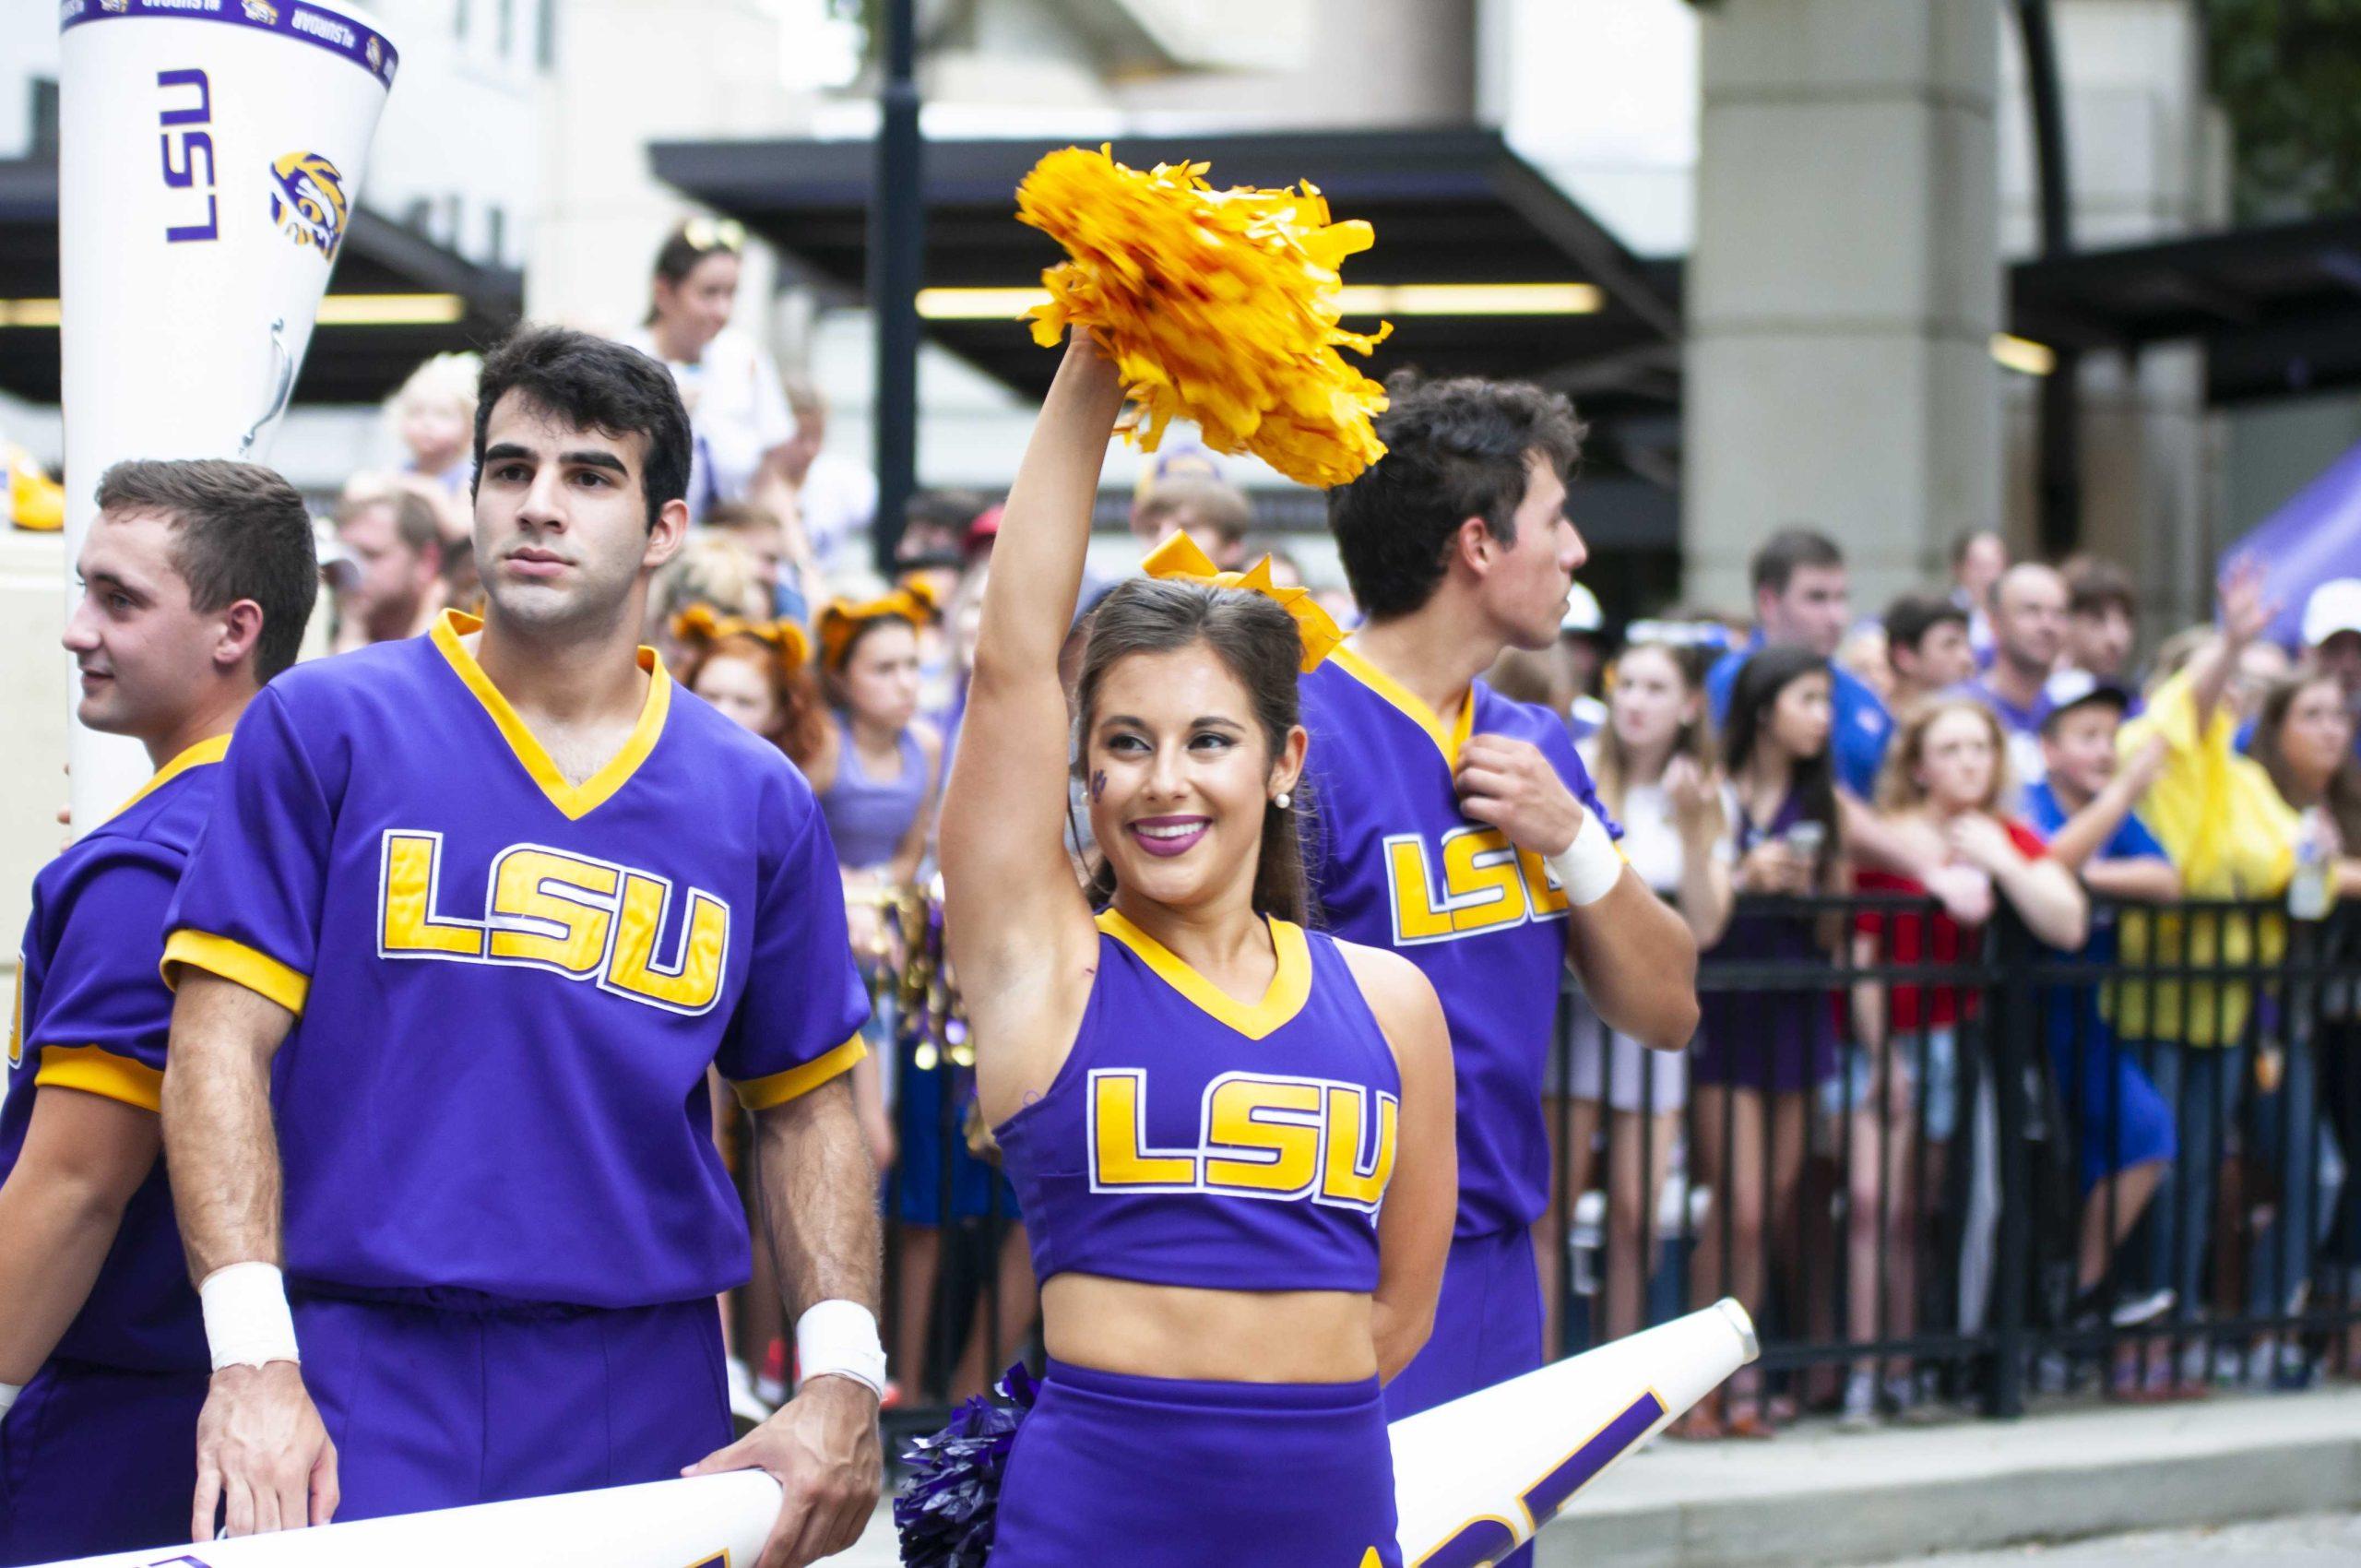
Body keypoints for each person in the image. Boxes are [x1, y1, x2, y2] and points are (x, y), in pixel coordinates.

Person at [157, 327, 883, 1561]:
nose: (539, 506)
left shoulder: (754, 796)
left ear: (664, 527)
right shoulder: (326, 724)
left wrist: (844, 1378)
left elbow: (809, 1106)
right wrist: (252, 1361)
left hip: (643, 1377)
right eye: (510, 469)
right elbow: (215, 1043)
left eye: (590, 476)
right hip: (355, 1368)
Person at [939, 334, 1455, 1564]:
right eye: (1125, 742)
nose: (1163, 783)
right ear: (1085, 767)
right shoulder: (1047, 972)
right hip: (1097, 1518)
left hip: (1331, 1514)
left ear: (1283, 763)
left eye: (1209, 741)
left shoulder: (1393, 1004)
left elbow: (1402, 1311)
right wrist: (1098, 359)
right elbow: (1013, 670)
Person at [1310, 369, 1699, 1518]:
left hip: (1495, 1260)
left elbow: (1668, 1008)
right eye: (1558, 516)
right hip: (1331, 1265)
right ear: (1477, 544)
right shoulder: (1296, 735)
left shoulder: (1538, 748)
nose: (1576, 549)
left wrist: (1573, 838)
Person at [0, 460, 315, 1565]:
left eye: (120, 599)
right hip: (284, 1397)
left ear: (237, 628)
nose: (77, 629)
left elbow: (79, 1182)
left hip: (119, 1420)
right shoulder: (323, 809)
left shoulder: (154, 863)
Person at [1842, 699, 2087, 1427]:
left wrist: (2004, 860)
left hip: (1960, 1041)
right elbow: (1861, 952)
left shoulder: (2006, 834)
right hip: (1887, 1036)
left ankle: (1903, 1367)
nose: (1968, 762)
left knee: (1919, 1213)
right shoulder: (1891, 841)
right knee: (1867, 1206)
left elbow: (2067, 922)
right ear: (1918, 764)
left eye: (1979, 748)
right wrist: (1883, 1057)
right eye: (1949, 749)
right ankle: (1860, 1368)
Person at [2109, 564, 2304, 1368]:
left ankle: (2180, 1328)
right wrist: (2228, 642)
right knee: (2156, 1170)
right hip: (2151, 996)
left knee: (2197, 1176)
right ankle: (2136, 1335)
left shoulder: (2244, 772)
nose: (2227, 701)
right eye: (2216, 683)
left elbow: (2283, 864)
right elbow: (2183, 716)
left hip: (2224, 1006)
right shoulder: (2146, 748)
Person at [1556, 642, 1734, 1348]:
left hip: (1651, 1014)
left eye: (1655, 687)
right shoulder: (1575, 766)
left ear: (1689, 705)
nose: (1634, 700)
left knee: (1637, 1211)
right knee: (1552, 1208)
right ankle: (1538, 1381)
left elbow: (1708, 923)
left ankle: (1621, 1387)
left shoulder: (1705, 792)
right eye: (1625, 683)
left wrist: (1695, 831)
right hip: (1571, 1010)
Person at [1686, 646, 1845, 1437]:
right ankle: (1694, 1386)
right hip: (1727, 1008)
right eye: (1808, 698)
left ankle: (1740, 1382)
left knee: (1777, 1205)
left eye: (1828, 701)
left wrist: (1812, 886)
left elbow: (1836, 927)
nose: (1823, 715)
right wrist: (1745, 873)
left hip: (1797, 1010)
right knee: (1739, 1208)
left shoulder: (1827, 802)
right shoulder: (1714, 795)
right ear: (1762, 708)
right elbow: (1699, 911)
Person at [2023, 671, 2179, 1347]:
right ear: (2049, 748)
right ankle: (2060, 1296)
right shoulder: (2029, 798)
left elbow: (2165, 879)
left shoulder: (2117, 816)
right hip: (2026, 1017)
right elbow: (2045, 856)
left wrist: (2085, 878)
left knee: (2144, 1135)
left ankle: (2079, 1291)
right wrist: (2117, 799)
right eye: (2086, 735)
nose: (2104, 750)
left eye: (2110, 736)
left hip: (2086, 1014)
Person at [621, 219, 797, 523]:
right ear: (663, 292)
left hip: (730, 553)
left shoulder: (744, 357)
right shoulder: (625, 360)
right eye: (709, 293)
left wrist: (802, 561)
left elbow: (772, 479)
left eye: (731, 293)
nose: (723, 311)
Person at [1706, 529, 1892, 802]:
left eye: (1841, 598)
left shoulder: (1864, 699)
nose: (1836, 617)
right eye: (1817, 598)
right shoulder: (1726, 683)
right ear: (1768, 602)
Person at [1954, 563, 2069, 801]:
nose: (2047, 625)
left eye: (2059, 614)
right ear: (1994, 623)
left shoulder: (2073, 710)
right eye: (2031, 611)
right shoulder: (1958, 711)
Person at [327, 486, 444, 650]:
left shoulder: (462, 635)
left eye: (371, 555)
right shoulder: (327, 624)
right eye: (347, 555)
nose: (352, 568)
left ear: (427, 561)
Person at [387, 351, 480, 502]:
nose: (427, 424)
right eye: (416, 412)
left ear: (470, 425)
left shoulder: (468, 479)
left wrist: (430, 491)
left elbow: (461, 524)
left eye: (443, 414)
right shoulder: (400, 472)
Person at [1129, 476, 1252, 570]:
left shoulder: (1265, 601)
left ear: (1232, 547)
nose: (1163, 539)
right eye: (1153, 530)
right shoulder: (1116, 599)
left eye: (1186, 528)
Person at [1883, 594, 1975, 716]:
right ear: (1904, 656)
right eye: (1949, 644)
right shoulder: (1872, 727)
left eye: (1967, 645)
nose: (1967, 659)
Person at [2062, 554, 2141, 687]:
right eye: (2097, 619)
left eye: (2126, 619)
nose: (2116, 638)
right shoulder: (2039, 701)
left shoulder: (2133, 704)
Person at [1949, 529, 2009, 664]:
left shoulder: (2010, 614)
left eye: (1994, 566)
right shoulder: (1944, 613)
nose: (1987, 576)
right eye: (1978, 566)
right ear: (1958, 568)